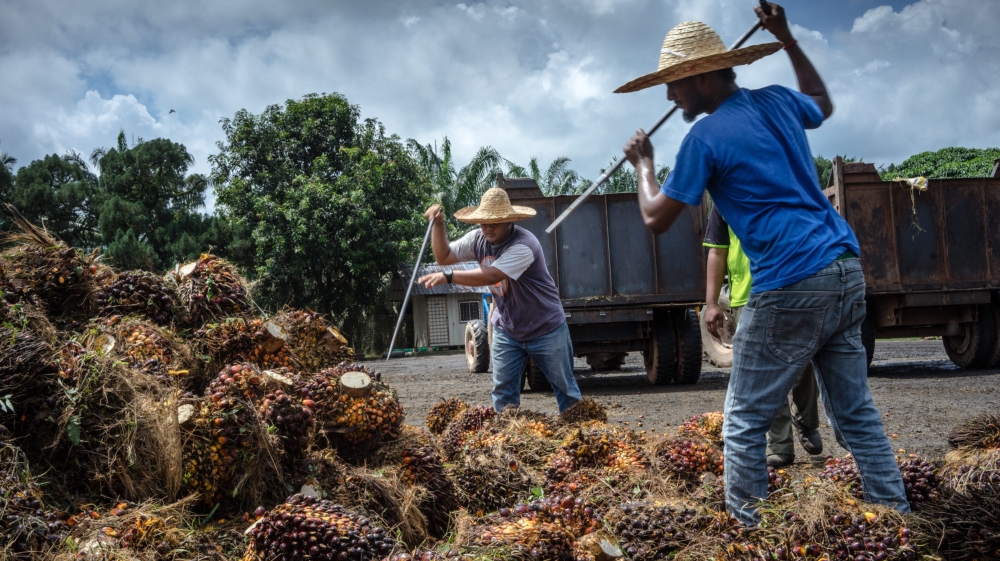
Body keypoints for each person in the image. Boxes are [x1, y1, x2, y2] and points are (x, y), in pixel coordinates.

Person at [616, 3, 909, 524]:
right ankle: (897, 517)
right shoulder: (776, 101)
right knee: (856, 416)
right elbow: (820, 100)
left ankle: (749, 537)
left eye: (675, 83)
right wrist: (786, 36)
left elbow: (656, 217)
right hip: (843, 271)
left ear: (703, 75)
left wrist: (645, 166)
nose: (669, 95)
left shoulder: (703, 139)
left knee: (743, 423)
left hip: (790, 282)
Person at [417, 187, 583, 413]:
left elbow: (492, 275)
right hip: (508, 329)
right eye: (484, 221)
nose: (487, 227)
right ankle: (505, 441)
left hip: (546, 328)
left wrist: (448, 277)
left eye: (494, 222)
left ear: (509, 221)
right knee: (503, 394)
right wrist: (438, 225)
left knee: (566, 390)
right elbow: (444, 256)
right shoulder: (477, 238)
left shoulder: (525, 244)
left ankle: (580, 434)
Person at [703, 204, 823, 467]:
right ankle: (779, 444)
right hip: (746, 297)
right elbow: (717, 251)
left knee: (802, 362)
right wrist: (711, 302)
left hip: (790, 289)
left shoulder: (779, 184)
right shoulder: (723, 202)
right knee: (764, 372)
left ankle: (806, 421)